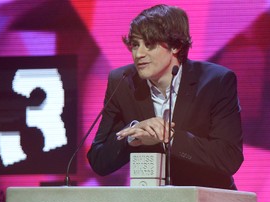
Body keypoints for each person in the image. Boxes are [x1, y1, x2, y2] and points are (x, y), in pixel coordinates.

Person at [87, 4, 244, 190]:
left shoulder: (215, 82)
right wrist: (132, 135)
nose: (139, 54)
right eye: (135, 45)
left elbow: (229, 158)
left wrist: (171, 138)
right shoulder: (122, 82)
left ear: (176, 46)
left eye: (149, 45)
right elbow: (98, 160)